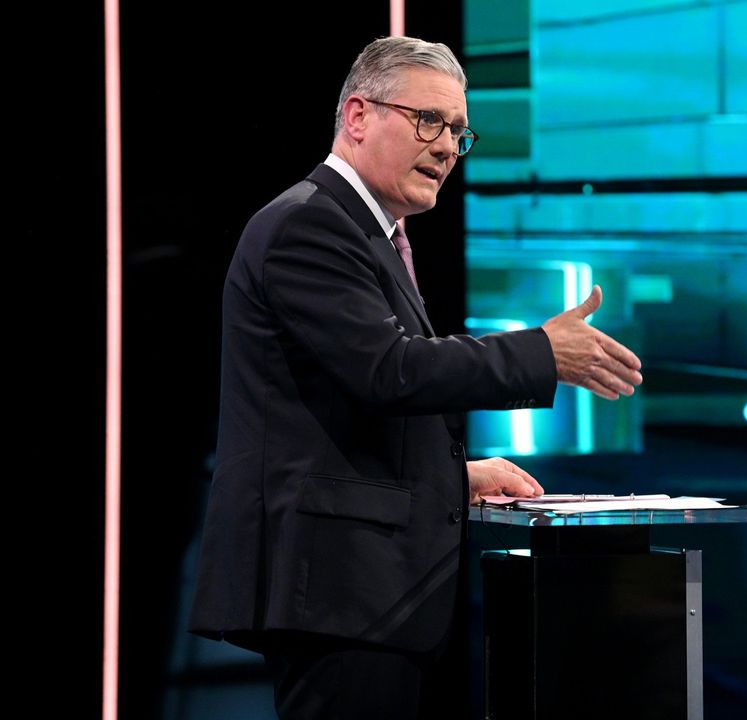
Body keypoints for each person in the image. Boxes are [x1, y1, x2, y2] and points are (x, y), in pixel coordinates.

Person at [188, 36, 643, 718]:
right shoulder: (309, 227)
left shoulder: (369, 233)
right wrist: (541, 352)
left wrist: (452, 476)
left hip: (365, 597)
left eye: (458, 133)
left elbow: (336, 415)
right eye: (428, 120)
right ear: (358, 116)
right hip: (338, 594)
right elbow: (389, 372)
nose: (445, 147)